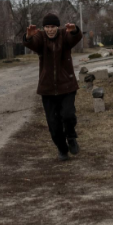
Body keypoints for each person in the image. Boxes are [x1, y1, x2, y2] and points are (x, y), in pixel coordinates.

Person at [23, 12, 83, 161]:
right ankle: (62, 150)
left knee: (68, 115)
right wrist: (29, 37)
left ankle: (71, 137)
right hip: (47, 89)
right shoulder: (41, 37)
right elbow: (33, 43)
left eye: (53, 27)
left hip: (66, 86)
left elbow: (73, 38)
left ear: (58, 27)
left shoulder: (64, 35)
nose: (50, 30)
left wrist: (74, 30)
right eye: (47, 27)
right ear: (44, 28)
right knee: (53, 125)